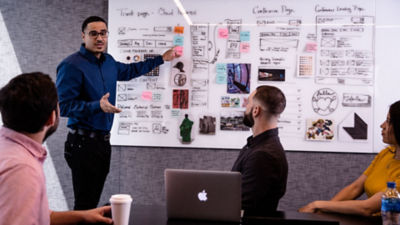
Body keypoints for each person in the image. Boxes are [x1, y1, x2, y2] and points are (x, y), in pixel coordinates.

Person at [56, 16, 180, 210]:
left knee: (93, 200)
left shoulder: (109, 62)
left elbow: (131, 71)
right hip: (82, 144)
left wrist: (161, 59)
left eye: (103, 33)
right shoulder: (71, 65)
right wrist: (97, 106)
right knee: (85, 203)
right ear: (83, 36)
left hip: (103, 143)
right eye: (93, 33)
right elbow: (64, 107)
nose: (99, 38)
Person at [0, 72, 112, 225]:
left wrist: (83, 216)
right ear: (51, 118)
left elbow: (37, 215)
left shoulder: (8, 148)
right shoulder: (22, 169)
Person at [299, 100, 400, 216]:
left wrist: (317, 204)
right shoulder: (386, 153)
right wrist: (321, 212)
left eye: (388, 121)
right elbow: (355, 188)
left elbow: (367, 208)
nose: (382, 126)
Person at [231, 85, 288, 216]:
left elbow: (239, 205)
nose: (245, 106)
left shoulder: (263, 156)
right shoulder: (256, 145)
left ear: (255, 110)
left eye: (248, 103)